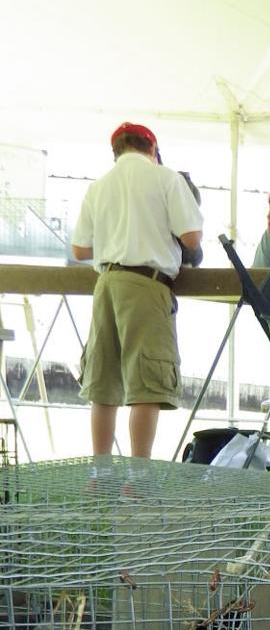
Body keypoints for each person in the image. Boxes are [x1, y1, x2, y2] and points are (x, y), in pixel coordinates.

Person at [70, 121, 203, 459]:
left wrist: (117, 236)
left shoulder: (98, 186)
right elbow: (191, 238)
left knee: (103, 385)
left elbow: (80, 250)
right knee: (146, 384)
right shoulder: (166, 178)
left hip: (106, 283)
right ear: (152, 150)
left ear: (115, 151)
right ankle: (137, 475)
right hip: (147, 283)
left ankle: (100, 472)